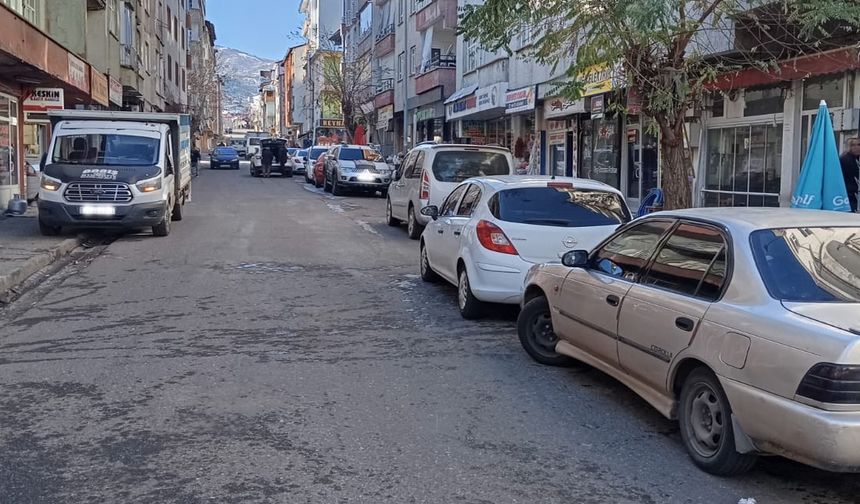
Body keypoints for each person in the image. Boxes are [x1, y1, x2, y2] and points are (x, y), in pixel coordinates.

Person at [840, 137, 860, 212]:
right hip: (849, 195)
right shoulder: (845, 159)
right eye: (853, 145)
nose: (856, 147)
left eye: (858, 145)